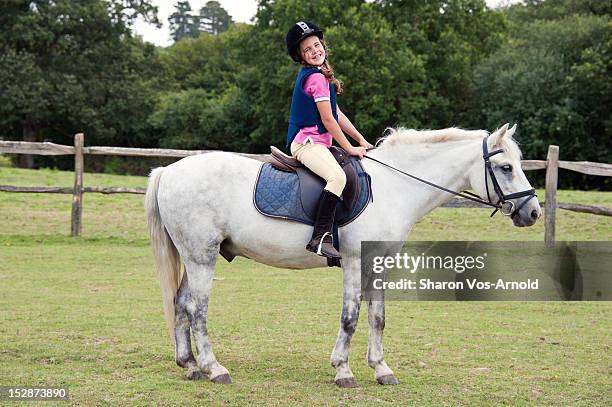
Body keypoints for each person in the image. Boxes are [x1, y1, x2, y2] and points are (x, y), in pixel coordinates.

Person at [285, 21, 373, 260]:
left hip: (318, 142)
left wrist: (362, 141)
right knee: (337, 177)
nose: (315, 51)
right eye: (308, 50)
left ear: (323, 45)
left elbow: (337, 114)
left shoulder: (321, 75)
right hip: (306, 143)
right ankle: (320, 237)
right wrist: (350, 148)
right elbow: (328, 121)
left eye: (316, 45)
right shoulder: (315, 79)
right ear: (301, 56)